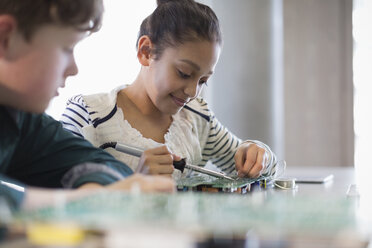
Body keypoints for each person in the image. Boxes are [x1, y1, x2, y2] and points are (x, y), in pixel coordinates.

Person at [61, 0, 278, 180]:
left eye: (204, 81)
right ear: (146, 52)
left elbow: (258, 171)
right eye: (184, 73)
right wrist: (134, 184)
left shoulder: (197, 119)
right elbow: (60, 196)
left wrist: (259, 156)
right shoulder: (88, 117)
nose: (193, 91)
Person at [0, 0, 174, 212]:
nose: (74, 69)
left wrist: (100, 192)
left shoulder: (17, 116)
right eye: (67, 48)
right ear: (5, 38)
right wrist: (92, 199)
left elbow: (104, 165)